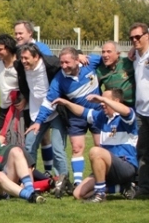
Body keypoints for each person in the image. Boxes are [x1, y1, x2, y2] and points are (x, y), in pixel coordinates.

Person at [27, 47, 102, 187]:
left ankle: (101, 179)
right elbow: (48, 102)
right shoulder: (59, 79)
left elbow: (106, 58)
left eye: (67, 62)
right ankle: (78, 183)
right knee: (77, 148)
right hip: (76, 115)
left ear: (76, 59)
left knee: (100, 147)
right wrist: (38, 121)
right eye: (61, 63)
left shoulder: (90, 63)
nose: (63, 66)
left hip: (97, 113)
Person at [53, 90, 139, 202]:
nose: (101, 103)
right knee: (78, 193)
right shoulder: (102, 117)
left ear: (116, 101)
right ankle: (121, 187)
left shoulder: (126, 118)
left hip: (125, 166)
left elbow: (127, 111)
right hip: (107, 169)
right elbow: (83, 112)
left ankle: (100, 195)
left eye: (105, 100)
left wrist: (103, 99)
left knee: (96, 151)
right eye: (101, 100)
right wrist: (67, 103)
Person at [14, 43, 70, 197]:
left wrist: (83, 56)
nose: (23, 61)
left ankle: (62, 180)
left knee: (58, 148)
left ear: (36, 57)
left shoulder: (50, 64)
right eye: (22, 58)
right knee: (30, 143)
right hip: (37, 114)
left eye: (26, 58)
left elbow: (69, 58)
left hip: (56, 112)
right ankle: (29, 181)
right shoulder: (20, 66)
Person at [129, 22, 149, 196]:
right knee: (142, 151)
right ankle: (144, 188)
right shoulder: (136, 55)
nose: (135, 40)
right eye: (131, 38)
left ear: (147, 36)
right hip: (142, 112)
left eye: (138, 37)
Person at [95, 41, 135, 108]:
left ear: (118, 53)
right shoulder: (100, 70)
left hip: (133, 106)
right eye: (103, 52)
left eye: (109, 51)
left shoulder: (128, 62)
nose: (105, 55)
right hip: (114, 107)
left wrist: (134, 48)